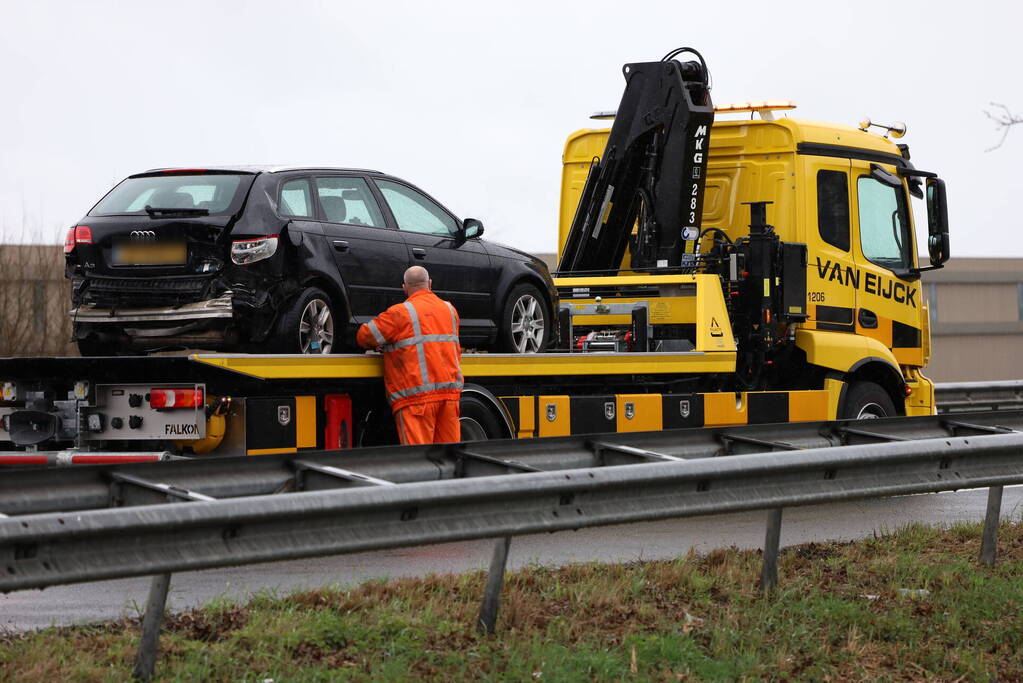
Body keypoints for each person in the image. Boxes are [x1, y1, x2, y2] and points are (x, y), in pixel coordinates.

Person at [356, 266, 463, 445]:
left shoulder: (400, 313)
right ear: (430, 284)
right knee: (449, 457)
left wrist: (384, 344)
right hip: (449, 398)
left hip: (417, 401)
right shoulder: (450, 310)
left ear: (404, 287)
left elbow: (364, 336)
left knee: (419, 459)